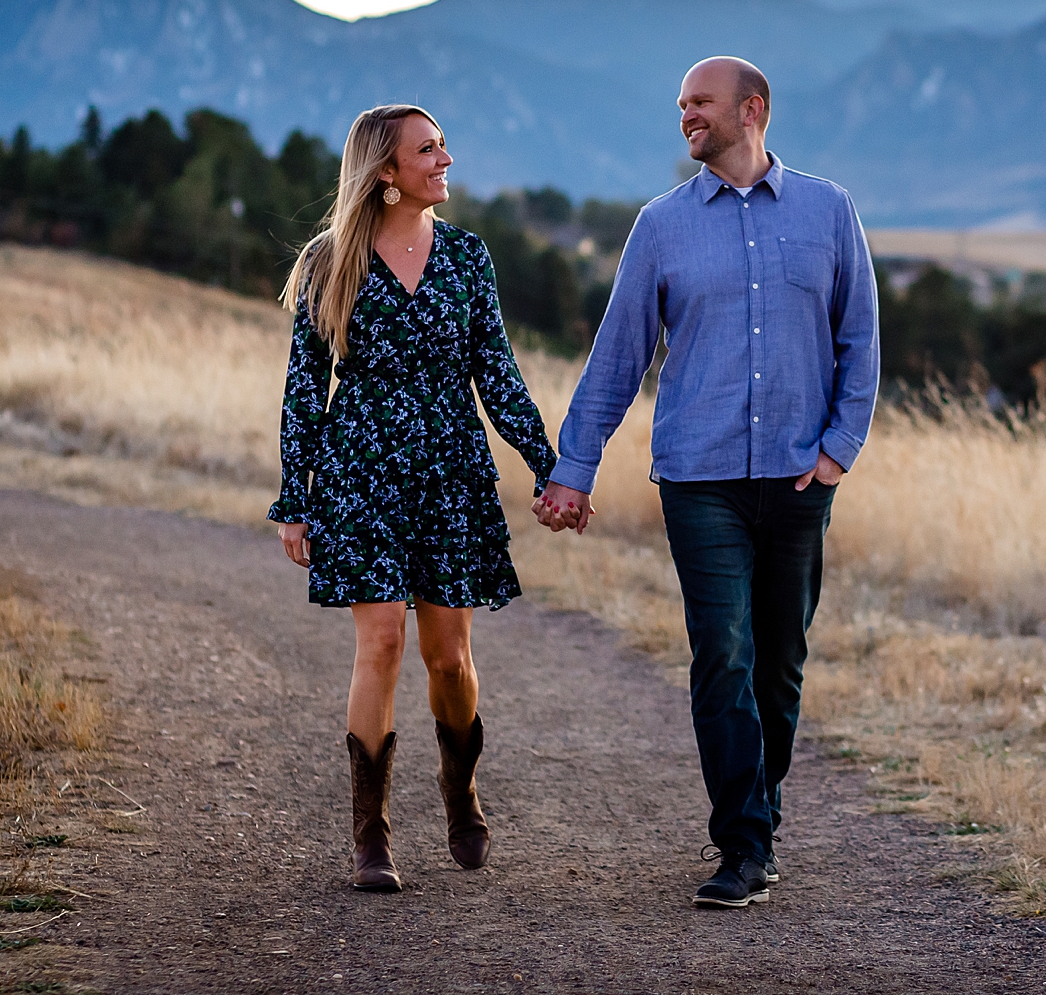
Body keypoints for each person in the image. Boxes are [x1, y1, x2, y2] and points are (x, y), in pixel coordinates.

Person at [536, 56, 880, 909]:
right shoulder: (660, 226)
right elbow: (618, 355)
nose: (685, 114)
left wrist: (838, 449)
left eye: (700, 101)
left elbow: (861, 341)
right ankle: (745, 845)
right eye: (681, 102)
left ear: (751, 109)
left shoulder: (829, 212)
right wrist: (573, 471)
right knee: (722, 654)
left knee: (781, 665)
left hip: (801, 480)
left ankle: (756, 809)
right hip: (700, 479)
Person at [271, 104, 557, 893]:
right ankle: (371, 836)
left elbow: (495, 373)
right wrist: (296, 497)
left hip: (449, 470)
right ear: (385, 173)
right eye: (428, 151)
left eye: (442, 147)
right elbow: (304, 389)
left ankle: (459, 786)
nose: (446, 160)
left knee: (449, 657)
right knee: (381, 646)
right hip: (361, 470)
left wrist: (549, 464)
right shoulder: (330, 262)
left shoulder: (467, 257)